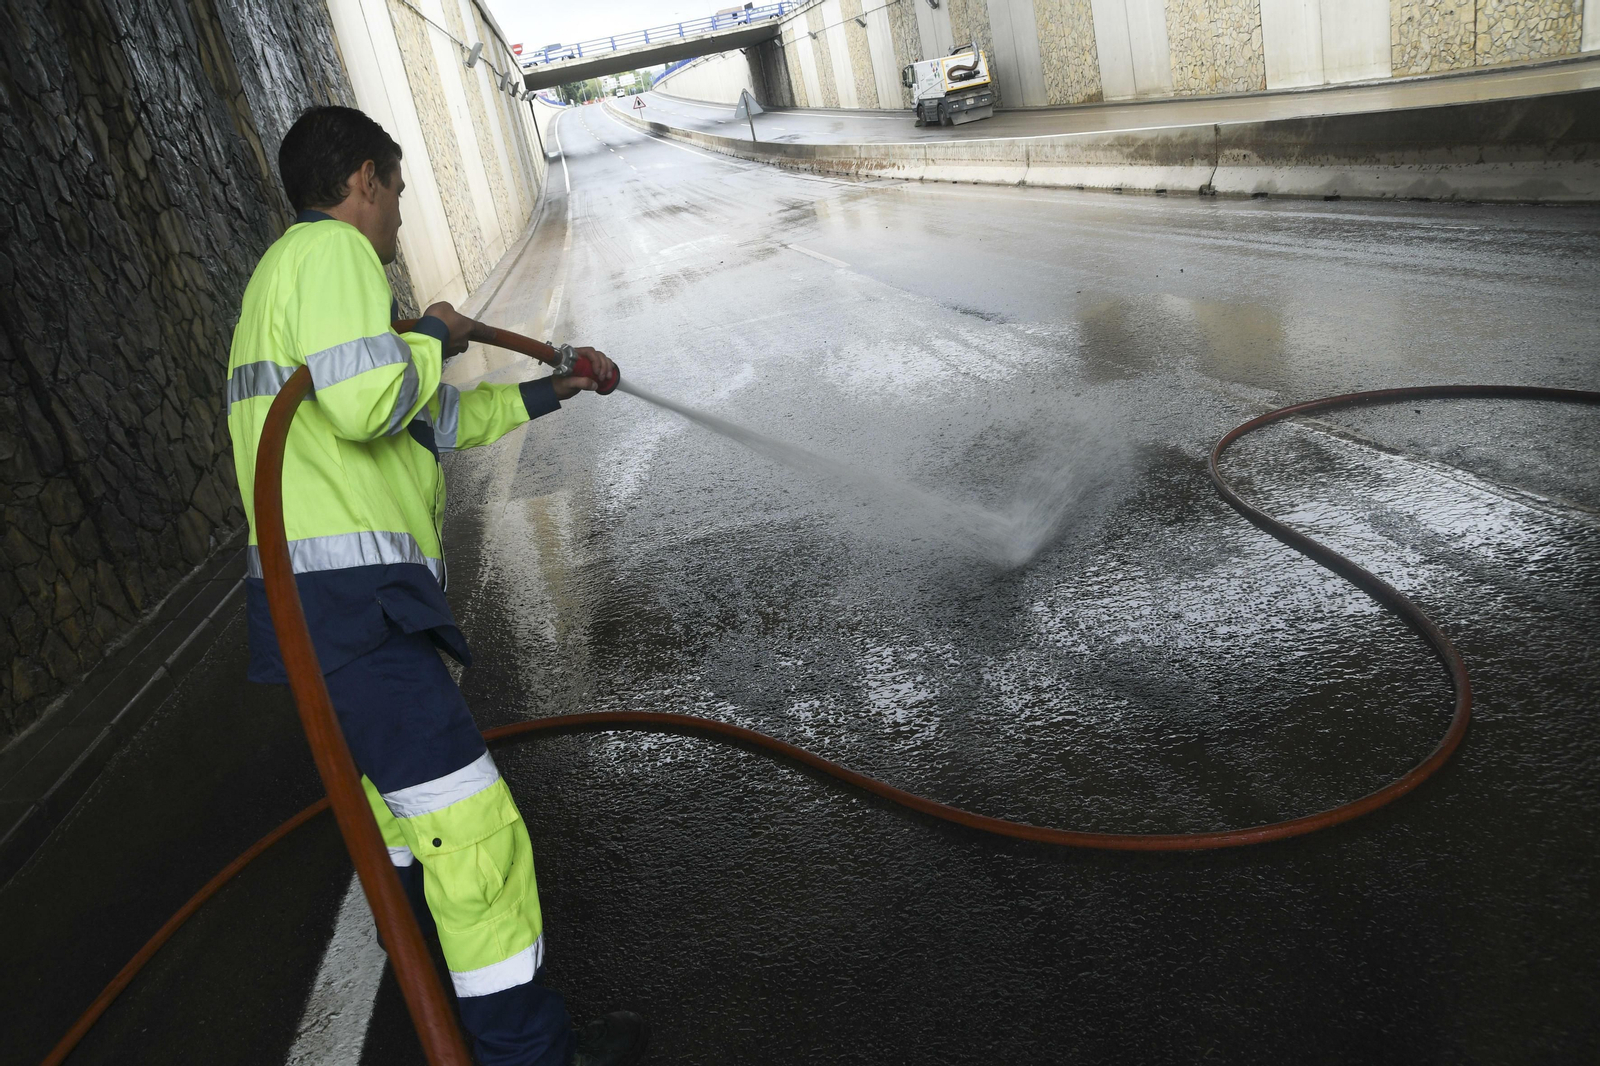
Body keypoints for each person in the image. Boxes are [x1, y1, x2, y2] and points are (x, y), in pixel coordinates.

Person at [226, 105, 645, 1066]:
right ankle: (530, 1056)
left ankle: (455, 1030)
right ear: (364, 181)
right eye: (400, 192)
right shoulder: (331, 256)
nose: (403, 216)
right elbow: (374, 397)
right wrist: (438, 334)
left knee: (415, 841)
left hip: (328, 619)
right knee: (476, 834)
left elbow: (431, 424)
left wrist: (555, 387)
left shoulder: (278, 289)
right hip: (357, 613)